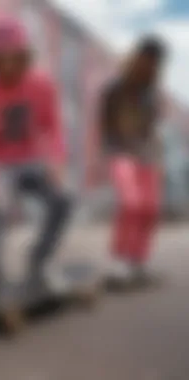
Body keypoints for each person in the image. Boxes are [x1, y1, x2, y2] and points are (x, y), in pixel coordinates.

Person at [0, 18, 71, 304]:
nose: (8, 67)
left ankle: (40, 262)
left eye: (15, 59)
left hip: (31, 160)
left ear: (25, 57)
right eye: (1, 59)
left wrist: (57, 161)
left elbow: (53, 127)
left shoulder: (41, 84)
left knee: (63, 198)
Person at [99, 37, 167, 282]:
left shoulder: (151, 93)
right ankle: (119, 260)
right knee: (131, 204)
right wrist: (106, 152)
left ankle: (138, 261)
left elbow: (153, 128)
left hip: (146, 155)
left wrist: (158, 157)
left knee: (150, 209)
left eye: (154, 63)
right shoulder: (116, 88)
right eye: (146, 60)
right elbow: (105, 123)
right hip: (121, 152)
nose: (149, 66)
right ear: (137, 58)